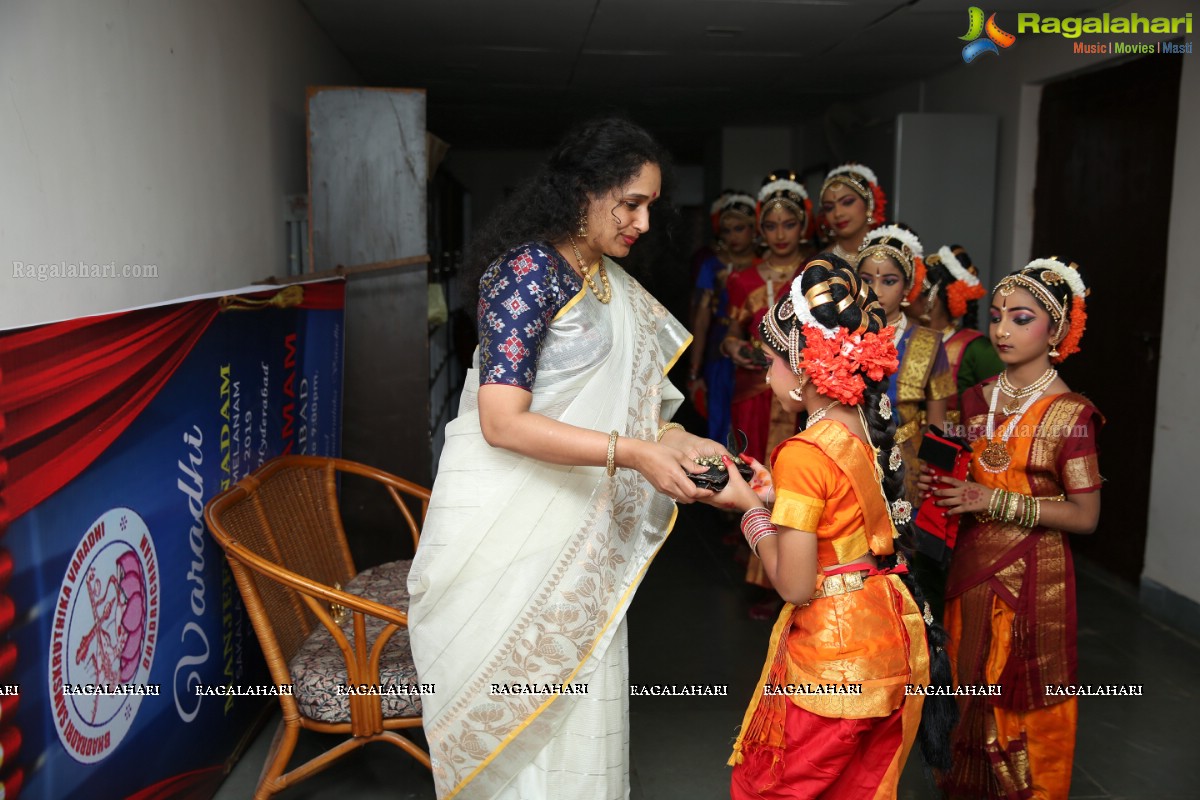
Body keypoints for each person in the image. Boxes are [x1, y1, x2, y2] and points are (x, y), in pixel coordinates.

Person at [406, 117, 727, 800]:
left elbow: (642, 416)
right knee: (517, 709)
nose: (643, 221)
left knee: (582, 693)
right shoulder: (526, 275)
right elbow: (501, 421)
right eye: (630, 202)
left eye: (650, 205)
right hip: (508, 529)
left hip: (581, 534)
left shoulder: (614, 286)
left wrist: (685, 443)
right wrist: (634, 452)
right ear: (584, 191)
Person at [708, 256, 955, 799]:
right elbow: (851, 511)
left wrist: (748, 505)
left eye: (770, 361)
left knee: (773, 789)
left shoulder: (802, 451)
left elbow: (795, 585)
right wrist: (779, 493)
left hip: (836, 658)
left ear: (801, 370)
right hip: (892, 639)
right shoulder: (866, 426)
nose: (765, 373)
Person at [920, 258, 1101, 800]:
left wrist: (991, 498)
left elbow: (1086, 516)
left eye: (1021, 318)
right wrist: (944, 491)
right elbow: (955, 464)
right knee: (966, 683)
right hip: (970, 568)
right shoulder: (976, 401)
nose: (1001, 329)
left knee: (1018, 695)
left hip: (1033, 578)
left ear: (1058, 330)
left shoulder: (1072, 414)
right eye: (996, 315)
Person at [857, 225, 953, 503]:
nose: (876, 290)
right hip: (850, 453)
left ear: (908, 286)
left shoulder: (928, 343)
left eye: (889, 281)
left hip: (909, 461)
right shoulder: (839, 337)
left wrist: (936, 480)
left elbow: (938, 422)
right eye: (866, 280)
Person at [722, 170, 812, 463]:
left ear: (804, 226)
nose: (781, 235)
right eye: (772, 226)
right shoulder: (742, 280)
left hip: (804, 391)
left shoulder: (816, 275)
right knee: (752, 469)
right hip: (753, 387)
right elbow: (732, 334)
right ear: (761, 228)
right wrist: (733, 346)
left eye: (789, 224)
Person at [689, 191, 759, 442]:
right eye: (726, 230)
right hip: (718, 346)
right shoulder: (712, 265)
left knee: (753, 415)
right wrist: (694, 371)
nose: (732, 236)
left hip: (753, 345)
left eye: (739, 228)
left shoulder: (763, 266)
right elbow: (701, 318)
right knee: (718, 413)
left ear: (754, 229)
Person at [913, 245, 1002, 428]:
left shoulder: (977, 349)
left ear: (932, 298)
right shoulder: (905, 340)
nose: (904, 295)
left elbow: (1000, 410)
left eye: (913, 289)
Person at [817, 163, 887, 265]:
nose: (838, 213)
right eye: (829, 208)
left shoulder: (891, 253)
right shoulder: (822, 262)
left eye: (848, 202)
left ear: (869, 204)